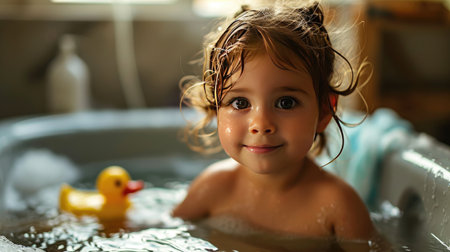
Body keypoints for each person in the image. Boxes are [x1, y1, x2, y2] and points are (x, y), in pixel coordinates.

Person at [172, 0, 375, 244]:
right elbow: (166, 237)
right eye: (240, 103)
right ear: (216, 110)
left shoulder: (337, 206)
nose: (261, 123)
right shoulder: (212, 188)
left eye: (286, 103)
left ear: (323, 113)